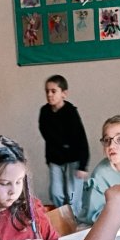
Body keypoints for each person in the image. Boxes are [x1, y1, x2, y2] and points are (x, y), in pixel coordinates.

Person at [39, 75, 89, 213]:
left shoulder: (71, 112)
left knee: (72, 194)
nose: (49, 94)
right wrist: (59, 147)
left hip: (74, 159)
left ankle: (75, 218)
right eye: (47, 91)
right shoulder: (44, 112)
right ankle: (61, 216)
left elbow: (81, 139)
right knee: (56, 192)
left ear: (64, 94)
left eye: (53, 91)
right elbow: (46, 134)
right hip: (55, 159)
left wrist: (83, 165)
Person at [79, 115, 120, 224]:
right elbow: (93, 216)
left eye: (119, 139)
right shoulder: (101, 174)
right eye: (107, 140)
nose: (111, 145)